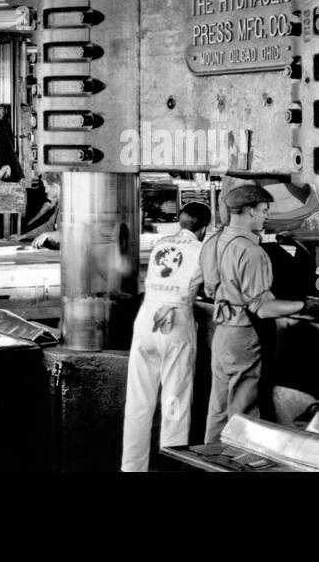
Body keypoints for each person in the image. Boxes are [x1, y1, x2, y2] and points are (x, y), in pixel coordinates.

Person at [201, 185, 307, 443]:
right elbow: (262, 307)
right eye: (263, 211)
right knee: (243, 411)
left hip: (221, 332)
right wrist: (303, 306)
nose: (266, 216)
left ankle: (210, 459)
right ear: (249, 211)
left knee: (218, 407)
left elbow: (208, 287)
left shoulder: (214, 241)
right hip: (243, 336)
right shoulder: (251, 252)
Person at [120, 201, 212, 472]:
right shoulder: (202, 249)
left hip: (146, 320)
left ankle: (131, 468)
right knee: (175, 403)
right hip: (175, 322)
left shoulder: (162, 243)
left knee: (137, 402)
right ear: (204, 228)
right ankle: (171, 467)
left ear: (181, 223)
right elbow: (212, 287)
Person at [12, 172, 61, 249]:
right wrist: (23, 236)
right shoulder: (60, 206)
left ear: (56, 187)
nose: (46, 191)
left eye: (47, 187)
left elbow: (70, 235)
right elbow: (48, 226)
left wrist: (47, 235)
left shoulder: (69, 206)